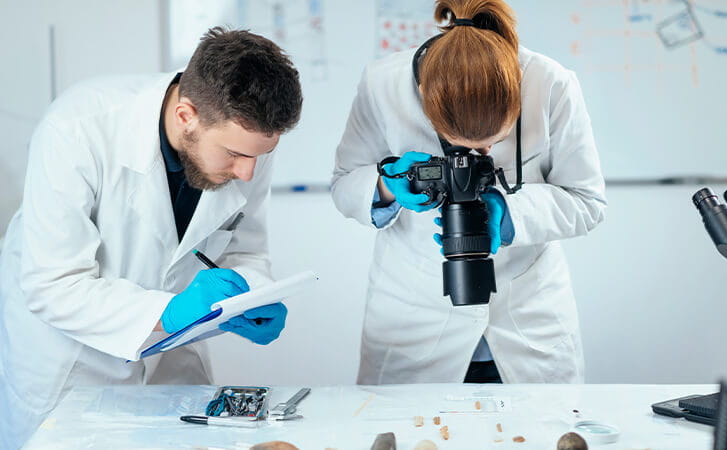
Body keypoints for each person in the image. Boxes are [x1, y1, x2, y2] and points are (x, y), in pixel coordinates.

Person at [0, 27, 302, 448]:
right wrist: (169, 312)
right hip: (72, 367)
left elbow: (245, 248)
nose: (247, 173)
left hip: (172, 365)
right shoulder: (77, 129)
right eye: (234, 155)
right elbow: (52, 283)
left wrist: (252, 295)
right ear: (186, 117)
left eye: (259, 156)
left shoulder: (244, 141)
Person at [332, 0, 606, 385]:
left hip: (527, 319)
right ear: (426, 96)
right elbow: (344, 183)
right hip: (414, 318)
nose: (484, 156)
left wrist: (511, 215)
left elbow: (587, 201)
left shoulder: (550, 83)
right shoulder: (383, 84)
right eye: (465, 145)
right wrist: (386, 186)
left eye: (495, 142)